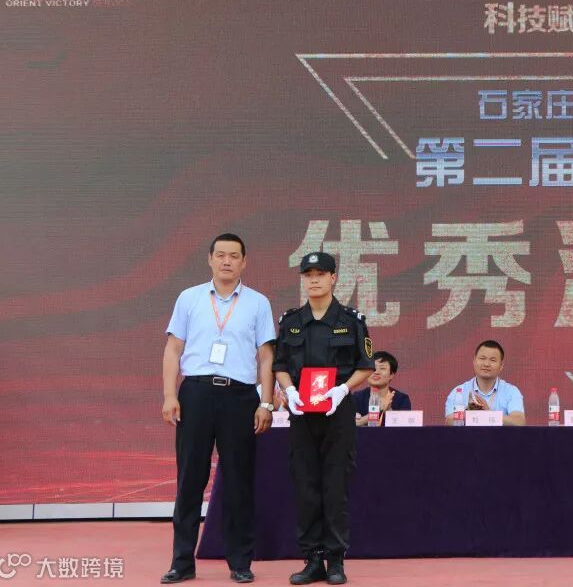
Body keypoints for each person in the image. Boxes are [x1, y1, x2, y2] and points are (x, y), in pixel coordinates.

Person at [160, 233, 275, 585]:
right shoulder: (189, 298)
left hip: (240, 397)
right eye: (221, 255)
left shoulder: (258, 303)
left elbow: (267, 356)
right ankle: (182, 561)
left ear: (244, 262)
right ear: (209, 259)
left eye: (234, 256)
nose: (227, 261)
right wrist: (169, 395)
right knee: (189, 479)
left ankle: (240, 561)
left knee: (239, 481)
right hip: (195, 394)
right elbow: (173, 350)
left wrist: (266, 402)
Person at [273, 252, 375, 585]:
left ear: (333, 278)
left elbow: (365, 366)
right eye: (308, 275)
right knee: (306, 484)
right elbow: (280, 365)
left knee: (336, 484)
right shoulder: (290, 321)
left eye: (320, 274)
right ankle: (313, 558)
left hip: (337, 411)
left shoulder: (351, 320)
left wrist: (343, 389)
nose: (314, 280)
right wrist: (289, 391)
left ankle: (336, 560)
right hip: (302, 412)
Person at [443, 340, 526, 426]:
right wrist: (469, 414)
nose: (486, 364)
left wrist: (489, 414)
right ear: (474, 361)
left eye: (492, 360)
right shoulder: (458, 391)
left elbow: (519, 422)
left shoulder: (511, 391)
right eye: (482, 358)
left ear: (501, 366)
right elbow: (449, 422)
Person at [354, 351, 412, 426]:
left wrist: (389, 410)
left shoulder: (401, 399)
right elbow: (351, 424)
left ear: (391, 375)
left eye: (382, 368)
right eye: (373, 367)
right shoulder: (357, 397)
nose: (376, 372)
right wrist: (379, 411)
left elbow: (405, 428)